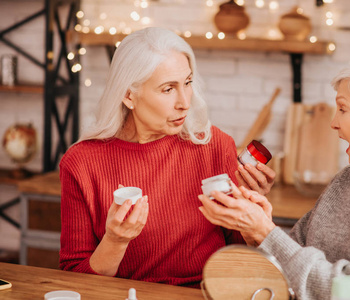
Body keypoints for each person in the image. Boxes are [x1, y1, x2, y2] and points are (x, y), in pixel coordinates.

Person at [198, 53, 350, 299]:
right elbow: (292, 260)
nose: (333, 123)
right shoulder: (348, 179)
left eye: (342, 108)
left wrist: (267, 233)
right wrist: (256, 230)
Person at [59, 26, 275, 288]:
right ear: (129, 95)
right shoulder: (81, 163)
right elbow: (74, 276)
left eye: (187, 83)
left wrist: (255, 215)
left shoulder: (214, 145)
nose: (184, 101)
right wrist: (115, 241)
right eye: (167, 89)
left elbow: (243, 257)